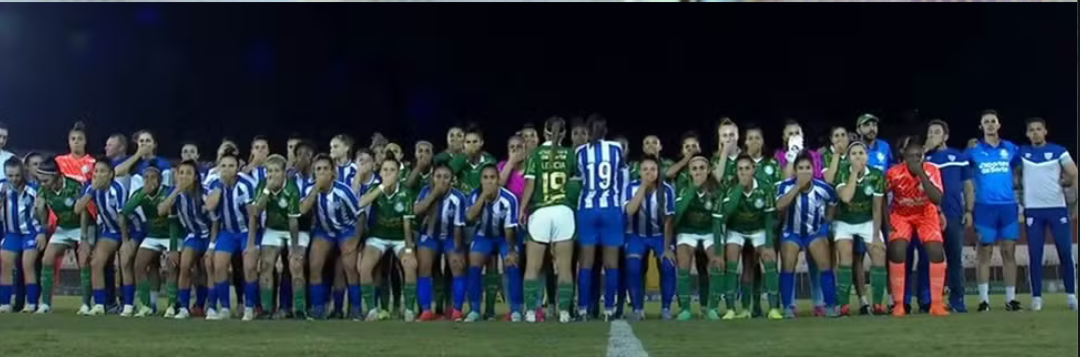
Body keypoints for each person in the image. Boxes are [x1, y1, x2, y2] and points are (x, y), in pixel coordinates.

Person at [519, 116, 578, 324]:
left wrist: (522, 209)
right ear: (563, 134)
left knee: (532, 267)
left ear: (544, 133)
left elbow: (529, 187)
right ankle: (564, 313)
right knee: (564, 267)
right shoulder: (571, 155)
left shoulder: (534, 154)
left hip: (541, 213)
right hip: (564, 213)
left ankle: (530, 313)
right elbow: (574, 186)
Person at [964, 109, 1022, 312]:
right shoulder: (973, 151)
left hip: (1007, 207)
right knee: (984, 253)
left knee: (1009, 251)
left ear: (998, 125)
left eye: (993, 121)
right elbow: (963, 173)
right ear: (981, 127)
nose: (990, 124)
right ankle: (983, 301)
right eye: (986, 122)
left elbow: (1019, 169)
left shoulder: (1011, 148)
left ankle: (1011, 300)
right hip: (984, 207)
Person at [1018, 117, 1078, 311]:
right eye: (1031, 130)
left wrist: (1075, 202)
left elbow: (1074, 174)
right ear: (1027, 134)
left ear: (1045, 131)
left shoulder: (1059, 151)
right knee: (1035, 255)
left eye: (1038, 129)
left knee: (1065, 253)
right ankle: (1036, 298)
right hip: (1033, 211)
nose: (1035, 132)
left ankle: (1071, 296)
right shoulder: (1022, 152)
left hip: (1057, 209)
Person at [885, 140, 950, 317]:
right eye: (911, 156)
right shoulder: (893, 173)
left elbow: (937, 199)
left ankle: (936, 303)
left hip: (926, 213)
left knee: (936, 251)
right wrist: (886, 219)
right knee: (897, 249)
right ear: (904, 157)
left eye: (918, 156)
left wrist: (921, 173)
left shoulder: (931, 170)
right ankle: (899, 304)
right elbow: (881, 195)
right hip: (901, 215)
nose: (915, 159)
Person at [574, 114, 627, 321]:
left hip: (587, 209)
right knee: (611, 264)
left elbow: (579, 180)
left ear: (587, 132)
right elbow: (623, 179)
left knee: (586, 264)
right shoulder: (616, 149)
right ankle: (610, 309)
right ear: (606, 131)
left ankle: (583, 309)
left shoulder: (580, 152)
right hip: (611, 210)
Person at [717, 155, 782, 320]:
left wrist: (768, 244)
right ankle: (732, 308)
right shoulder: (731, 188)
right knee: (731, 261)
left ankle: (774, 308)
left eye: (747, 168)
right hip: (736, 230)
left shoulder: (765, 188)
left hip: (758, 230)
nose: (744, 172)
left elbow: (769, 218)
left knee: (769, 259)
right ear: (736, 172)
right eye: (740, 169)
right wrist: (740, 187)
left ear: (753, 169)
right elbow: (728, 212)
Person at [776, 152, 839, 319]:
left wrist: (827, 223)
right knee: (788, 265)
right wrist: (797, 186)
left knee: (825, 265)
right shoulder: (785, 186)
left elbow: (833, 203)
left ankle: (830, 305)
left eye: (808, 168)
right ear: (795, 170)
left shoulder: (822, 188)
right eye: (800, 168)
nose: (804, 171)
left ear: (813, 170)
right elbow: (780, 205)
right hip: (791, 233)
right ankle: (788, 307)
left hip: (814, 232)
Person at [300, 154, 364, 320]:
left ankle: (354, 308)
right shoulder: (309, 190)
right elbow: (303, 209)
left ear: (333, 173)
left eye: (325, 169)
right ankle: (318, 308)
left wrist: (355, 242)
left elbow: (360, 215)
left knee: (349, 266)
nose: (322, 173)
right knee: (315, 264)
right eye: (318, 169)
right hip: (325, 231)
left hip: (346, 230)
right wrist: (315, 189)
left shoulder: (343, 191)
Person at [247, 155, 309, 320]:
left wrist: (294, 249)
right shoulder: (262, 186)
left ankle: (300, 310)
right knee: (266, 265)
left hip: (295, 230)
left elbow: (294, 222)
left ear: (283, 173)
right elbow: (256, 212)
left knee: (296, 265)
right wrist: (267, 190)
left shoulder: (292, 189)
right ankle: (267, 310)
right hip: (273, 229)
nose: (272, 175)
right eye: (269, 171)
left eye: (276, 171)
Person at [924, 119, 974, 313]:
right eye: (929, 133)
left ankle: (957, 300)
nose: (932, 136)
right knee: (931, 260)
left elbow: (968, 187)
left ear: (945, 136)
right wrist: (924, 151)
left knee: (954, 260)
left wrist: (969, 210)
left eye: (936, 132)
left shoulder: (958, 156)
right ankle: (930, 300)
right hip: (928, 216)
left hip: (953, 215)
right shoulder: (924, 159)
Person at [357, 158, 416, 321]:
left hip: (400, 239)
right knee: (364, 267)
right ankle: (371, 310)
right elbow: (361, 203)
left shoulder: (406, 193)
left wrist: (409, 250)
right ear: (380, 172)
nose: (388, 173)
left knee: (410, 264)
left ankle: (409, 310)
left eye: (392, 170)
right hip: (378, 237)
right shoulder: (376, 189)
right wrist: (382, 187)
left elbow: (407, 225)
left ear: (398, 174)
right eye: (385, 170)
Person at [833, 142, 887, 316]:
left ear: (867, 156)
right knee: (846, 258)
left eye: (861, 153)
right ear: (849, 158)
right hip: (844, 221)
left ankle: (878, 304)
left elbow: (877, 208)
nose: (858, 156)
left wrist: (876, 234)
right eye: (854, 154)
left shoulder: (877, 175)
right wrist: (854, 173)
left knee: (878, 253)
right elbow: (846, 197)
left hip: (867, 220)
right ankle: (844, 306)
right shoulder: (842, 172)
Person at [121, 163, 180, 317]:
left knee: (171, 266)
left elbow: (173, 222)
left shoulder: (168, 193)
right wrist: (142, 194)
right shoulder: (141, 193)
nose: (149, 181)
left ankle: (172, 305)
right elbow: (125, 210)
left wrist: (173, 249)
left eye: (153, 177)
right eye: (145, 178)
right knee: (138, 265)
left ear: (160, 180)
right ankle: (147, 305)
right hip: (152, 235)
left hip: (170, 235)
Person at [204, 151, 258, 320]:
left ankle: (250, 307)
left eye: (231, 166)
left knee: (249, 266)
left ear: (237, 168)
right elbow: (210, 207)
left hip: (246, 231)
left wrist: (250, 244)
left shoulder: (245, 185)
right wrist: (220, 186)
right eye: (223, 166)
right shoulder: (215, 184)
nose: (227, 170)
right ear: (219, 168)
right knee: (219, 266)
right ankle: (225, 308)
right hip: (227, 232)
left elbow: (253, 216)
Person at [466, 164, 523, 321]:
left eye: (492, 178)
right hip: (484, 236)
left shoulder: (509, 199)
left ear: (498, 180)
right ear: (481, 180)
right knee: (474, 264)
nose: (489, 181)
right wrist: (483, 197)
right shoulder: (474, 196)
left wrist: (511, 251)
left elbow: (510, 229)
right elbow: (470, 217)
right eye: (485, 178)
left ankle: (516, 310)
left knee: (512, 263)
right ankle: (475, 310)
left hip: (505, 237)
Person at [33, 158, 90, 314]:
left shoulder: (74, 186)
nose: (42, 183)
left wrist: (84, 238)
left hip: (80, 227)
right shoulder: (43, 189)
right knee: (47, 259)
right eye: (40, 180)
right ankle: (45, 304)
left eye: (45, 180)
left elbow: (84, 211)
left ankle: (86, 304)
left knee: (84, 261)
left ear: (57, 175)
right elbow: (43, 216)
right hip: (63, 228)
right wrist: (39, 212)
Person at [623, 156, 676, 320]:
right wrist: (643, 187)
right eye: (645, 169)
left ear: (658, 171)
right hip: (636, 234)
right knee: (633, 266)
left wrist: (667, 248)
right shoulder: (630, 188)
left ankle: (666, 308)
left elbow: (669, 221)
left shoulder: (666, 190)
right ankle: (637, 308)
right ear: (639, 172)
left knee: (668, 264)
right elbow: (630, 210)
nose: (649, 173)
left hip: (660, 235)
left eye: (653, 169)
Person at [413, 164, 468, 321]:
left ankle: (456, 310)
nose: (442, 181)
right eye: (438, 176)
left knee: (458, 266)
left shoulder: (458, 197)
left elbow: (458, 227)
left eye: (446, 177)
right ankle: (426, 310)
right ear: (432, 178)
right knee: (423, 267)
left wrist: (458, 250)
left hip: (450, 236)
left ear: (452, 180)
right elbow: (417, 210)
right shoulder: (425, 191)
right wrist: (433, 195)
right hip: (430, 236)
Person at [78, 159, 132, 316]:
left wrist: (125, 241)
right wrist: (91, 190)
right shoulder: (91, 188)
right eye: (96, 171)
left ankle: (128, 304)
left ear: (110, 175)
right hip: (109, 231)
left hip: (128, 230)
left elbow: (122, 217)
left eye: (102, 171)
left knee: (125, 262)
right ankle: (100, 305)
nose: (98, 175)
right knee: (96, 262)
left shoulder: (118, 189)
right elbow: (78, 209)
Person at [159, 160, 212, 320]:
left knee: (205, 267)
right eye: (181, 173)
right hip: (193, 235)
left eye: (188, 173)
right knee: (185, 266)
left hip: (209, 235)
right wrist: (176, 191)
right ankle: (183, 307)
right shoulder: (176, 195)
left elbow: (216, 220)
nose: (184, 177)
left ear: (196, 177)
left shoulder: (205, 193)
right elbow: (162, 211)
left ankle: (202, 305)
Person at [672, 156, 721, 321]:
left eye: (702, 168)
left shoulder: (715, 192)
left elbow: (716, 223)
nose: (698, 171)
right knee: (684, 264)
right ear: (690, 172)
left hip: (708, 231)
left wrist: (719, 251)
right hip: (687, 231)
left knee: (716, 262)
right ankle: (685, 309)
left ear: (708, 171)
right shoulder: (684, 189)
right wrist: (693, 189)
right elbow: (677, 216)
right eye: (694, 169)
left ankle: (712, 308)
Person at [0, 158, 41, 313]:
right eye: (10, 175)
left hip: (30, 232)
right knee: (5, 265)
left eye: (17, 175)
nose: (14, 179)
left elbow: (42, 213)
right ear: (5, 174)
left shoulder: (33, 189)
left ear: (22, 173)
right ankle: (4, 303)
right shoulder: (2, 187)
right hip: (12, 233)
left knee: (27, 265)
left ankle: (31, 303)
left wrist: (42, 233)